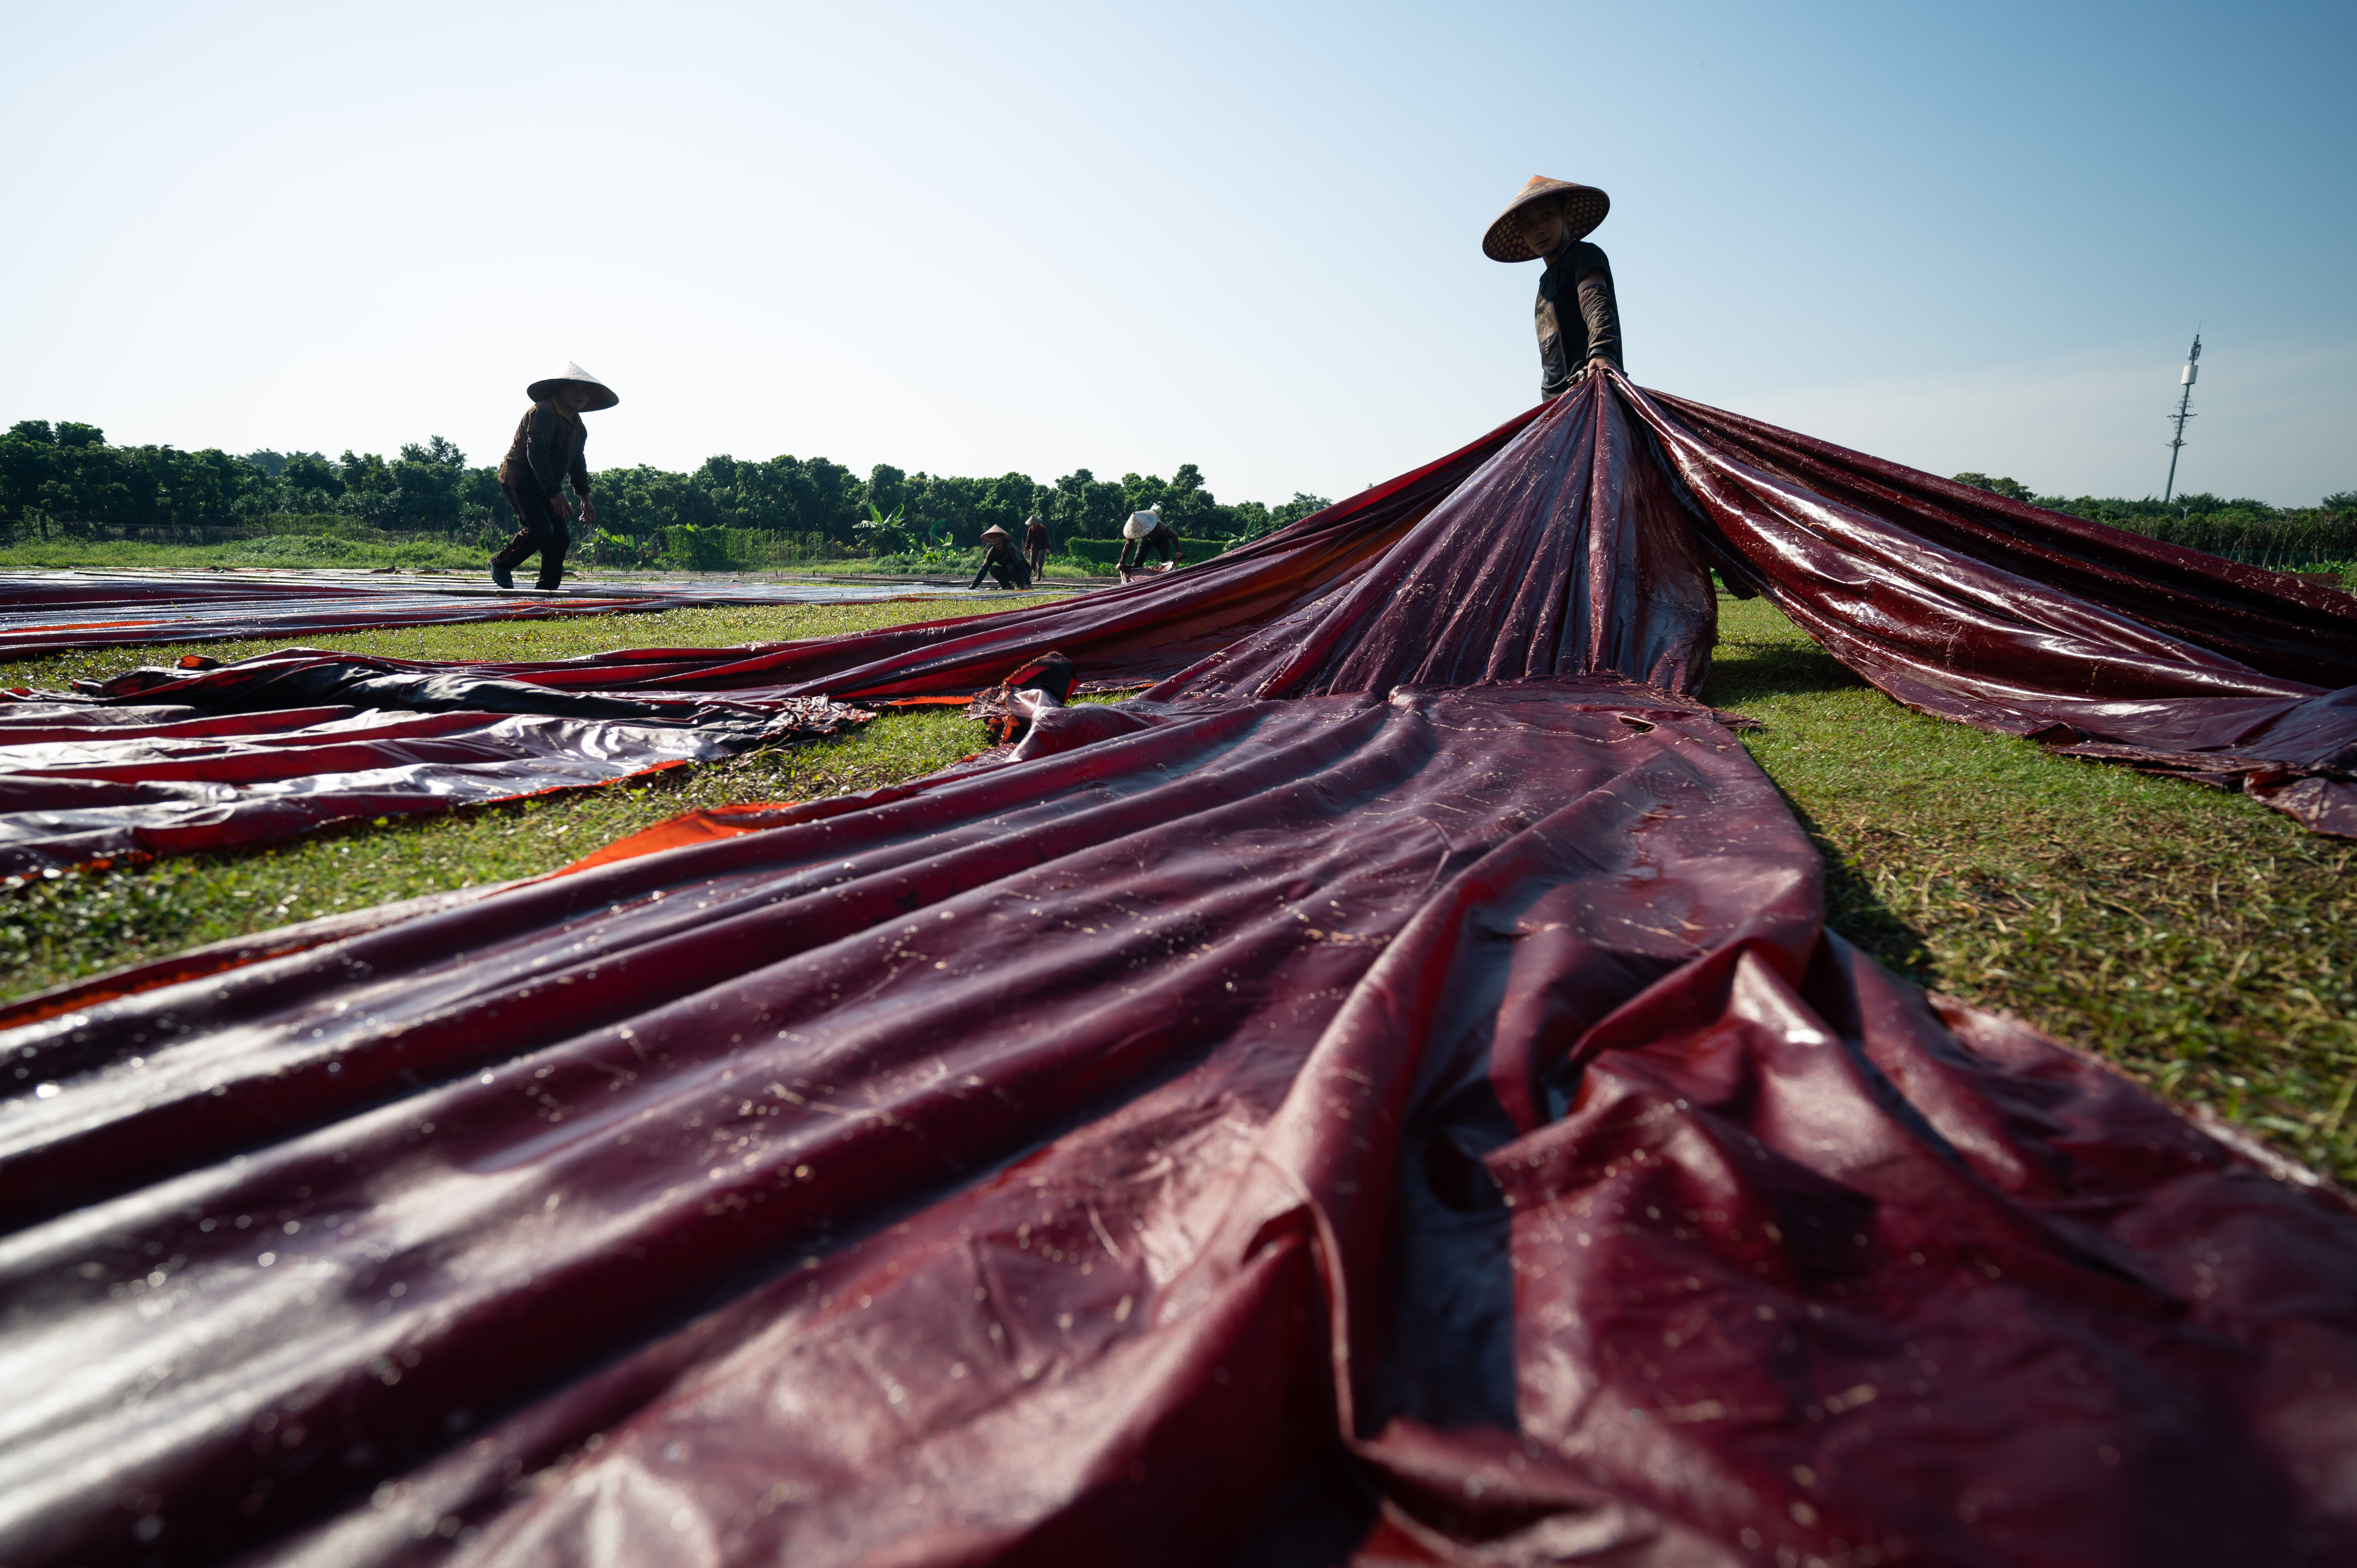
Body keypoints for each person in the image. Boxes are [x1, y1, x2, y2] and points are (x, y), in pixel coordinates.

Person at [1481, 177, 1622, 399]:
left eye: (1547, 215)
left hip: (1590, 391)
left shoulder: (1582, 256)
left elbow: (1595, 301)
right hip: (1557, 403)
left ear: (1567, 212)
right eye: (1529, 224)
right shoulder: (1544, 287)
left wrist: (1602, 350)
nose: (1539, 229)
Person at [492, 362, 617, 590]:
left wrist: (585, 498)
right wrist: (555, 493)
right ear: (559, 389)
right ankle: (500, 564)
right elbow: (536, 454)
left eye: (585, 390)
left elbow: (577, 463)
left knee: (561, 537)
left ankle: (546, 589)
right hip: (520, 481)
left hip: (547, 487)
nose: (579, 394)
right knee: (541, 529)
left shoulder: (578, 427)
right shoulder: (543, 412)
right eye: (573, 388)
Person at [1116, 506, 1185, 583]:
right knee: (1137, 564)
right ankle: (1135, 584)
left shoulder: (1159, 526)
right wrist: (1122, 562)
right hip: (1145, 540)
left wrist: (1178, 550)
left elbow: (1173, 535)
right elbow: (1129, 545)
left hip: (1162, 540)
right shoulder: (1135, 528)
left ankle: (1165, 582)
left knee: (1166, 562)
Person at [969, 523, 1033, 590]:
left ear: (1002, 537)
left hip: (1024, 572)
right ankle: (1007, 586)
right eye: (992, 537)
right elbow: (984, 568)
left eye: (996, 536)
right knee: (993, 570)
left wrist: (1027, 583)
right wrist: (974, 584)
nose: (994, 539)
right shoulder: (992, 552)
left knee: (1011, 566)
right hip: (1009, 573)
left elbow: (1021, 564)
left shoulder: (1010, 548)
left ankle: (1022, 585)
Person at [1023, 513, 1051, 580]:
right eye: (1032, 524)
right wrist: (1026, 549)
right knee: (1033, 565)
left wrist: (1048, 548)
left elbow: (1046, 539)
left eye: (1035, 524)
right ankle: (1038, 573)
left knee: (1039, 563)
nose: (1034, 525)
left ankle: (1038, 578)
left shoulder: (1043, 529)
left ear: (1038, 523)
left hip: (1041, 548)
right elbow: (1028, 539)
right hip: (1034, 548)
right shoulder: (1031, 529)